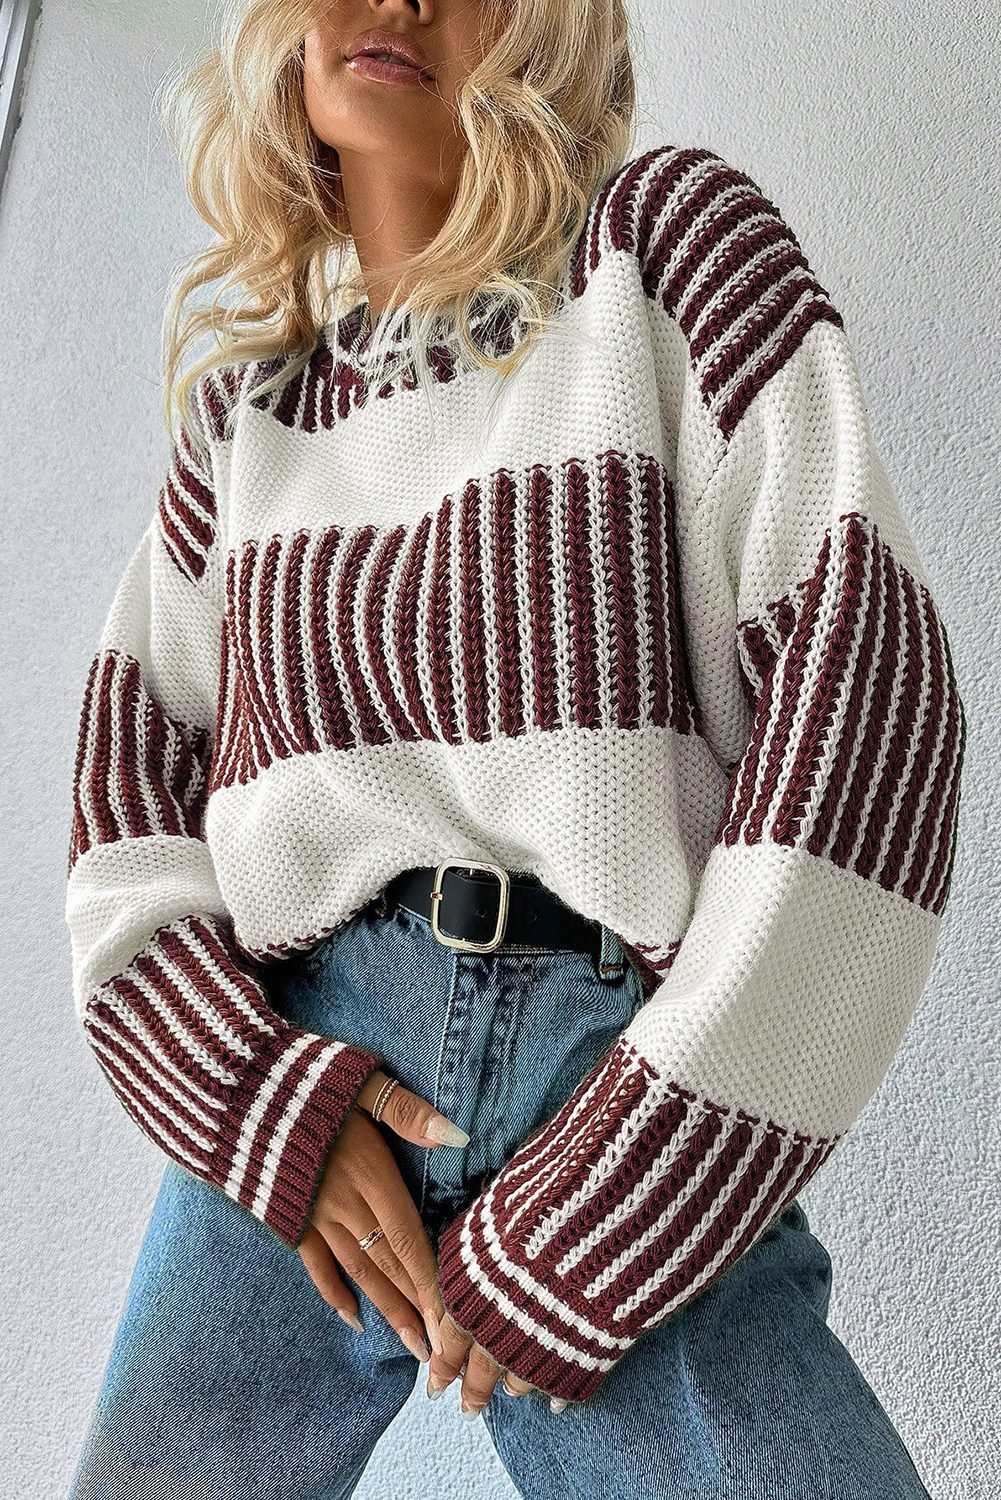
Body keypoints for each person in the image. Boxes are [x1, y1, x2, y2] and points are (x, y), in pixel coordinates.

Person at [62, 1, 966, 1497]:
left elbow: (870, 697)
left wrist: (632, 1183)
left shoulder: (663, 254)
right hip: (305, 1071)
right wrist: (259, 1104)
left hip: (612, 1077)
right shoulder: (244, 419)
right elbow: (122, 807)